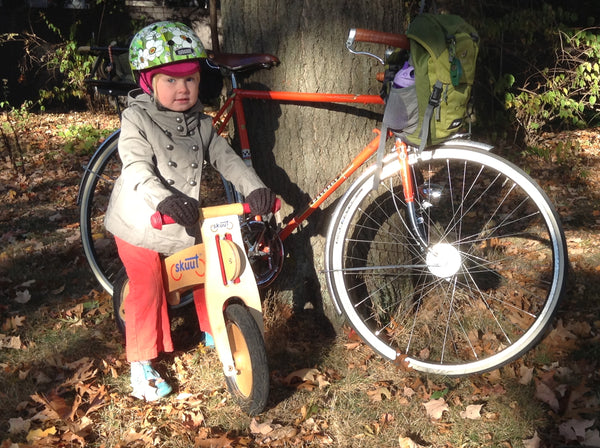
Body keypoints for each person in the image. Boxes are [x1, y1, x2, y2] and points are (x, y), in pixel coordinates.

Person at [104, 21, 275, 401]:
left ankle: (216, 325)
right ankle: (141, 367)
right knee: (148, 283)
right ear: (148, 83)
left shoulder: (200, 122)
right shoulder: (137, 118)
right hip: (140, 218)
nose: (182, 90)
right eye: (170, 81)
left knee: (207, 265)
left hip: (181, 218)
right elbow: (135, 166)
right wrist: (161, 200)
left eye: (191, 80)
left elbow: (227, 159)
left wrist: (255, 187)